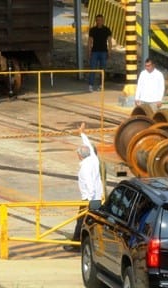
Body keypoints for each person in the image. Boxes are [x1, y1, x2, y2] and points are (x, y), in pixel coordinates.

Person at [64, 122, 103, 252]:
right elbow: (90, 148)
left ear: (80, 155)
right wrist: (82, 134)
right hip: (98, 197)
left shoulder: (85, 168)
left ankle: (77, 245)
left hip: (89, 199)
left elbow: (90, 186)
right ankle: (92, 244)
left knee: (81, 221)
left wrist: (89, 203)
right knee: (93, 223)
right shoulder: (93, 159)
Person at [88, 14, 112, 92]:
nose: (99, 21)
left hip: (104, 52)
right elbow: (90, 41)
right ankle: (90, 85)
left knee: (102, 69)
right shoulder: (92, 30)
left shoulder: (107, 29)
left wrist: (109, 51)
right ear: (96, 21)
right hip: (94, 52)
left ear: (103, 20)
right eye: (98, 20)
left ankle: (101, 85)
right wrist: (89, 51)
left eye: (101, 20)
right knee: (92, 69)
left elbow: (109, 41)